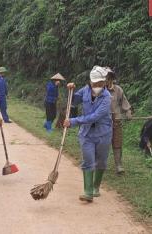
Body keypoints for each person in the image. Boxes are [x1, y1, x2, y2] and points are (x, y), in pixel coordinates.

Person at [64, 66, 112, 203]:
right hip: (86, 133)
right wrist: (70, 90)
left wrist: (73, 121)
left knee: (101, 161)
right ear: (90, 81)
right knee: (88, 160)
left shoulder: (107, 98)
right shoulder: (85, 91)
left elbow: (95, 117)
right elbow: (73, 100)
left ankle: (96, 187)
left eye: (100, 83)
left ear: (104, 83)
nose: (96, 86)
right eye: (94, 83)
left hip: (103, 133)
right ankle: (88, 192)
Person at [105, 68, 132, 174]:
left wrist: (128, 111)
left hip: (116, 120)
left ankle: (118, 165)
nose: (105, 80)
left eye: (107, 78)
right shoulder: (99, 90)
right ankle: (100, 164)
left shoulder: (118, 90)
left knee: (117, 142)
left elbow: (124, 102)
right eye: (104, 78)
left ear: (111, 78)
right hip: (103, 121)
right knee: (102, 143)